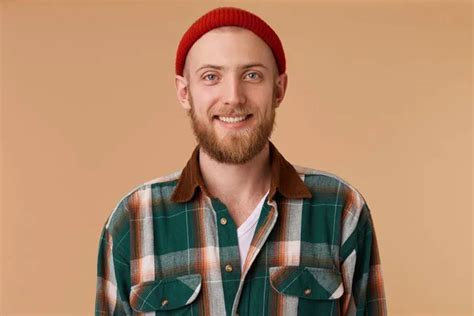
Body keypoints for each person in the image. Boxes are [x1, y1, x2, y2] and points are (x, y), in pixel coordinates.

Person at [95, 6, 387, 315]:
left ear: (279, 89)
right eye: (211, 76)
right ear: (184, 92)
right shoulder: (134, 220)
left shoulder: (341, 209)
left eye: (252, 75)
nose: (233, 96)